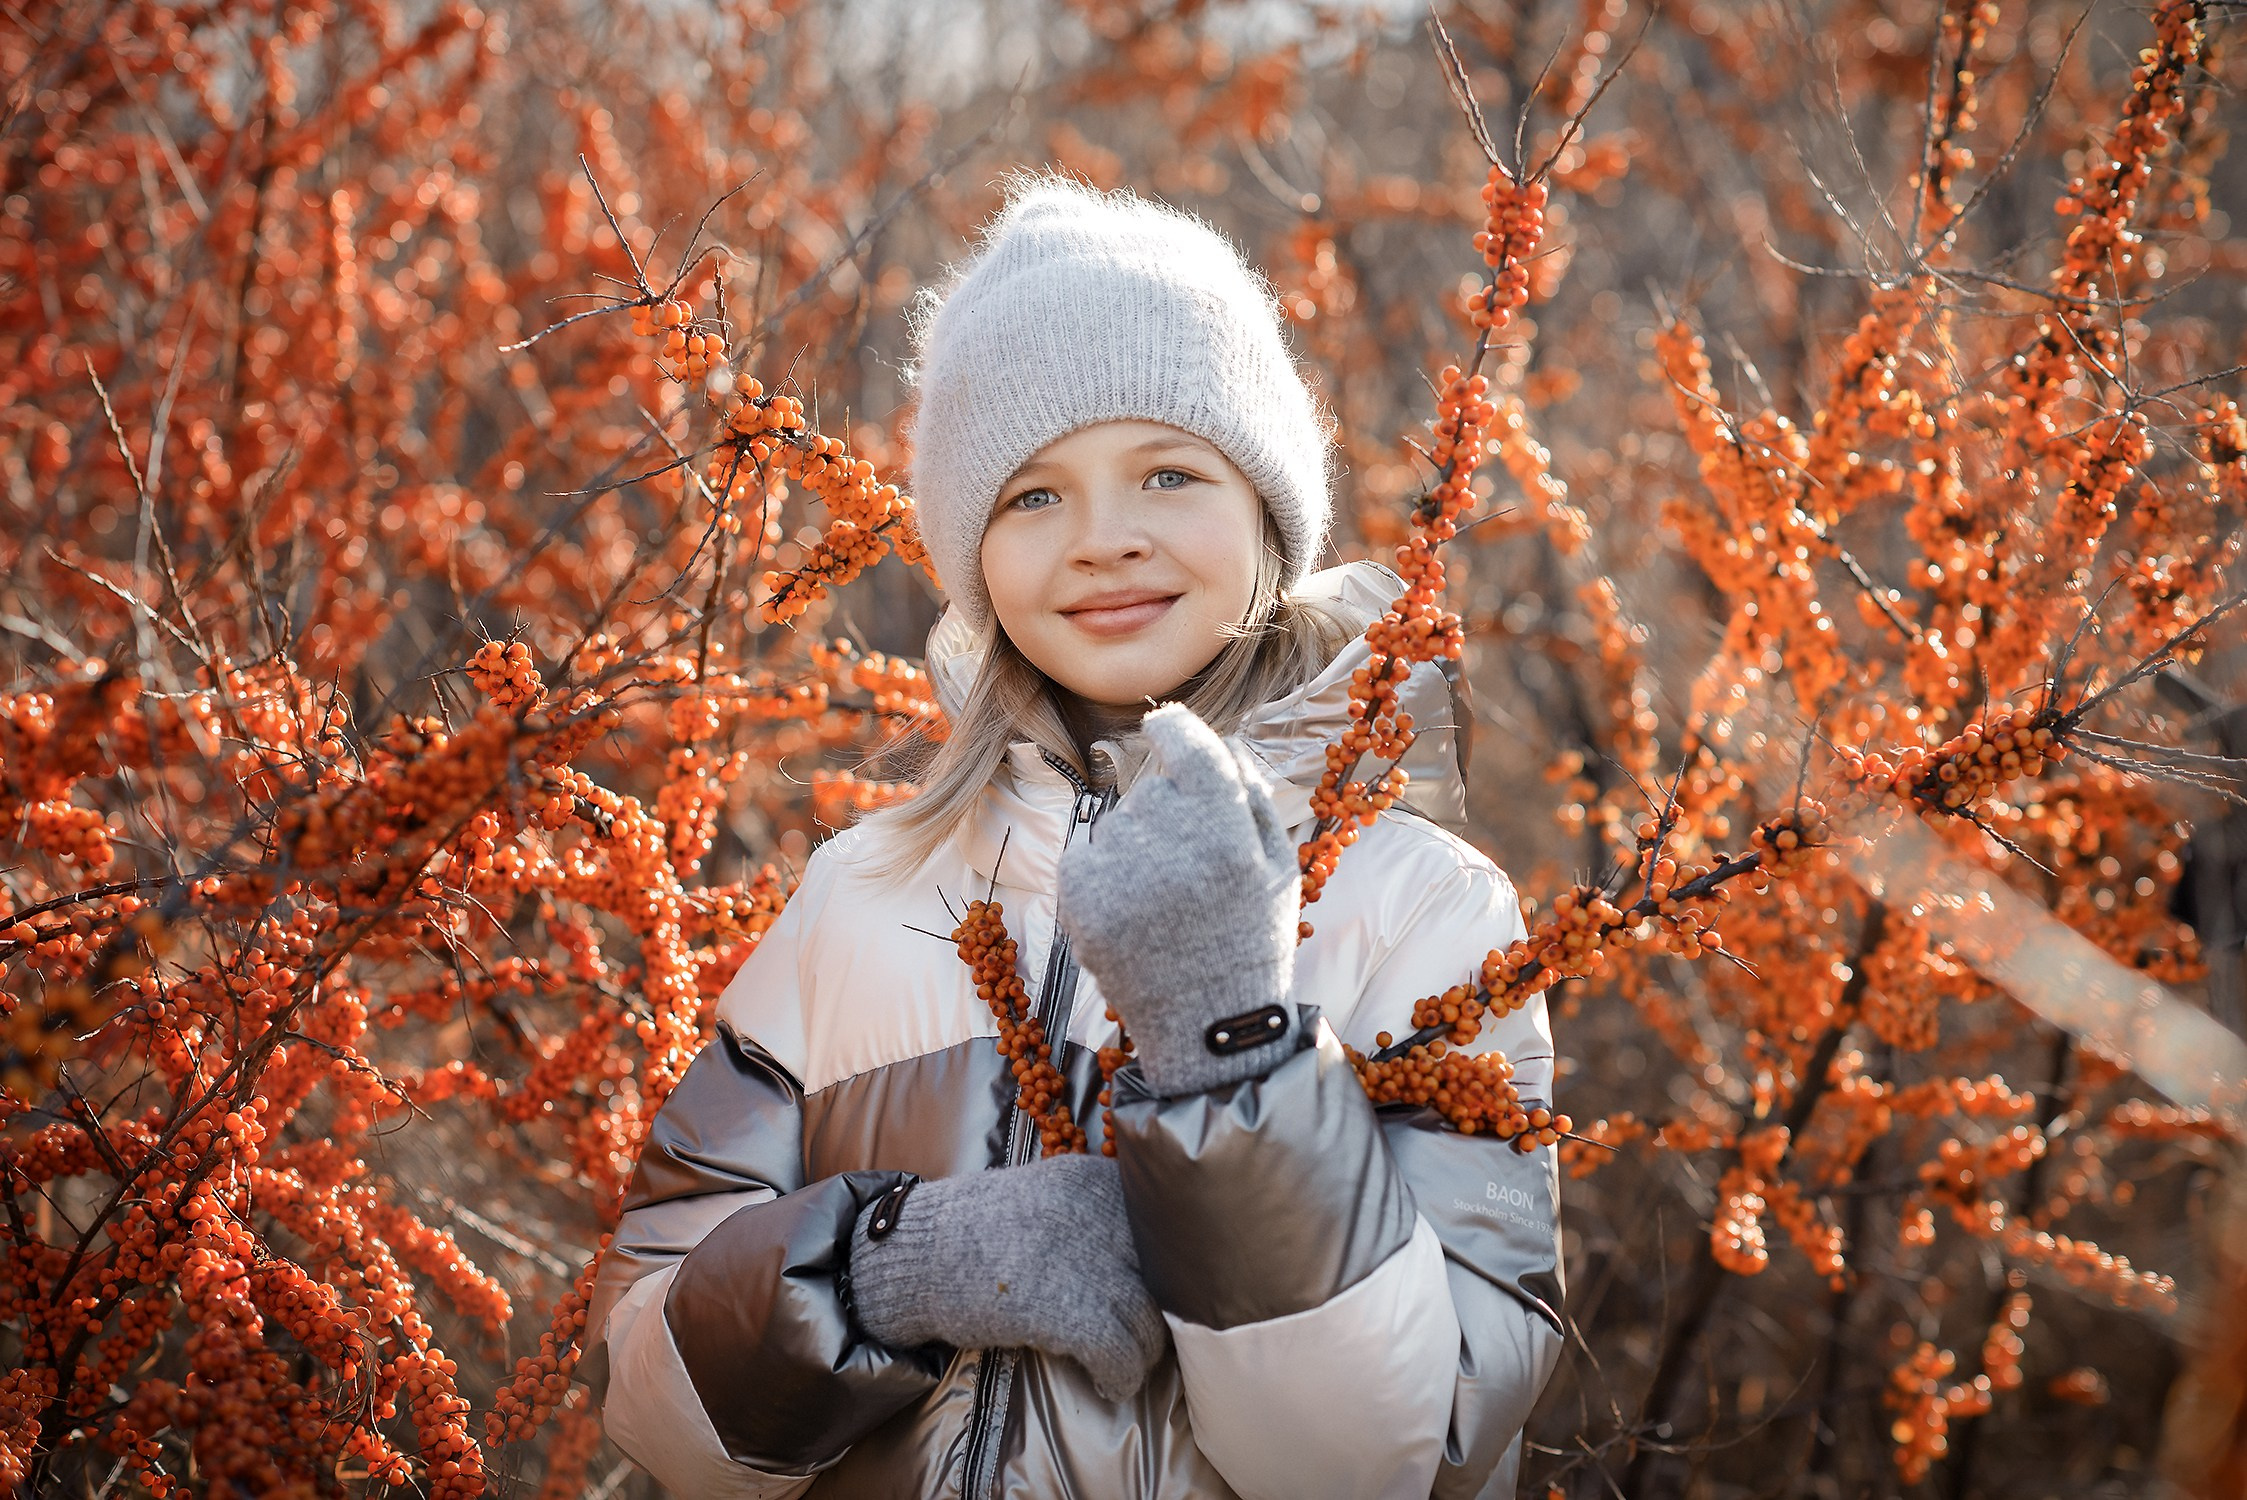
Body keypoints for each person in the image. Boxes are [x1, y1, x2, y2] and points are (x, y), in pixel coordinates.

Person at [583, 172, 1562, 1499]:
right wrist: (887, 1271)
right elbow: (650, 1400)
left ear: (1269, 512)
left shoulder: (1423, 912)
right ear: (971, 556)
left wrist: (1230, 1054)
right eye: (1033, 496)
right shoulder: (862, 896)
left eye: (1170, 472)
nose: (1104, 541)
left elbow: (1379, 1463)